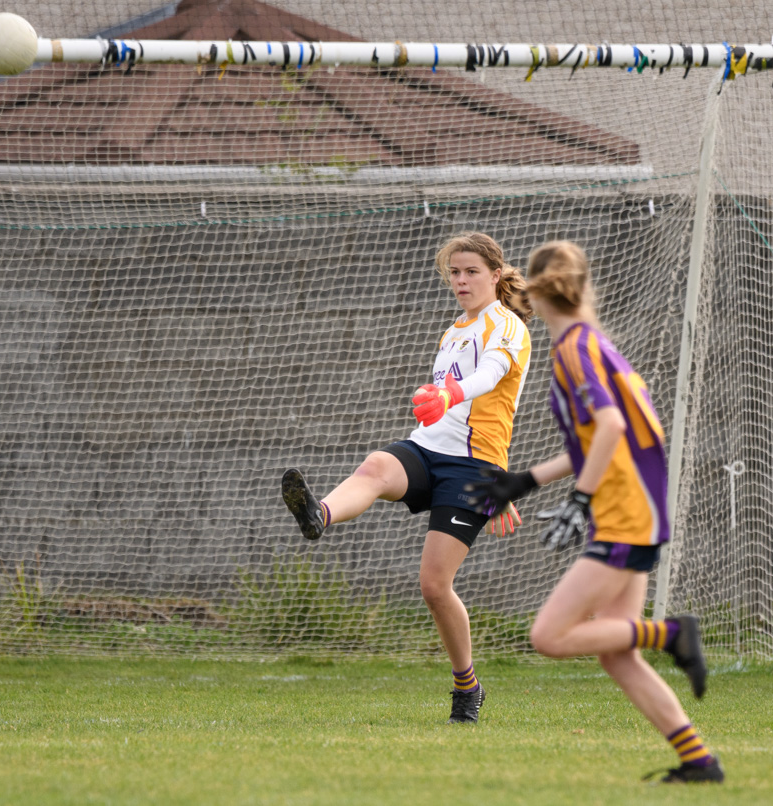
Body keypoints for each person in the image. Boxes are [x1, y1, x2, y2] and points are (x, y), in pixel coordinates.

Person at [466, 240, 723, 783]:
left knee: (550, 638)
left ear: (532, 293)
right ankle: (698, 760)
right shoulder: (594, 344)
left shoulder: (575, 351)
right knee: (615, 647)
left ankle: (671, 634)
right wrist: (525, 480)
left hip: (625, 514)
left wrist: (579, 500)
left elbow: (609, 427)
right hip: (638, 510)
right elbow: (597, 440)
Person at [282, 231, 532, 724]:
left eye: (471, 272)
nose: (461, 280)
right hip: (427, 447)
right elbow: (449, 400)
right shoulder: (454, 328)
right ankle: (319, 514)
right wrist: (443, 403)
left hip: (474, 466)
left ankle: (468, 687)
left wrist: (452, 397)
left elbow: (489, 377)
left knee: (434, 587)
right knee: (376, 465)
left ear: (495, 275)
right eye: (454, 272)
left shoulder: (506, 325)